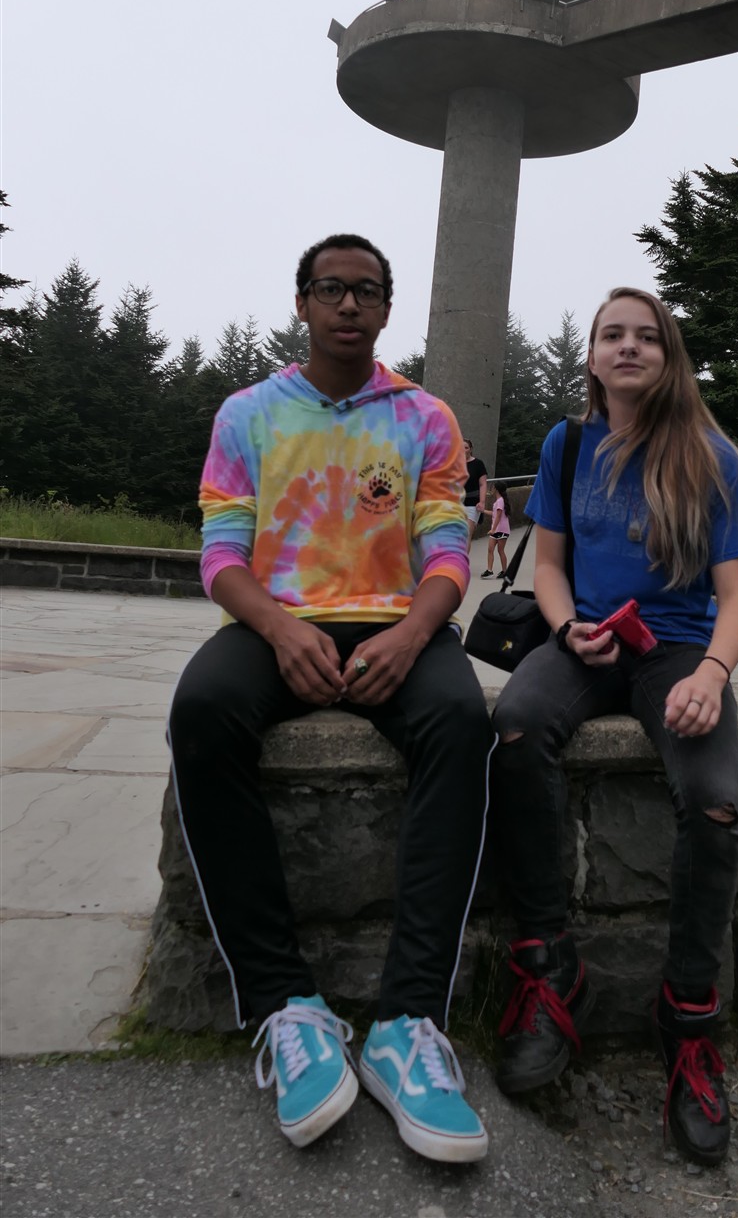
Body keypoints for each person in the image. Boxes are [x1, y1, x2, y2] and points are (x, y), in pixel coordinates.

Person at [168, 233, 493, 1164]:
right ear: (302, 302)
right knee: (201, 713)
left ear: (387, 308)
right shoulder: (248, 414)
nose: (348, 304)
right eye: (329, 288)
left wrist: (411, 634)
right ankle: (287, 1006)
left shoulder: (426, 417)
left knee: (462, 720)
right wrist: (278, 629)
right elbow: (221, 556)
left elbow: (447, 549)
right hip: (275, 624)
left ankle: (407, 1025)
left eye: (366, 290)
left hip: (396, 624)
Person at [489, 286, 738, 1168]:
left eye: (648, 336)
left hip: (676, 652)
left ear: (669, 355)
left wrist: (713, 676)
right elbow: (550, 568)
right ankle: (547, 965)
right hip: (585, 642)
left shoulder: (712, 456)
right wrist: (567, 626)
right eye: (613, 335)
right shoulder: (566, 445)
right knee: (515, 725)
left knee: (713, 801)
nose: (629, 347)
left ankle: (688, 1018)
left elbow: (736, 597)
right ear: (593, 356)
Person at [481, 480, 511, 578]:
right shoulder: (498, 501)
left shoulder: (500, 501)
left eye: (493, 487)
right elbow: (494, 514)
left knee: (500, 550)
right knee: (490, 549)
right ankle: (489, 570)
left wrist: (493, 529)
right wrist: (483, 510)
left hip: (501, 529)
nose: (492, 489)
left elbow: (498, 516)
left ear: (496, 489)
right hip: (495, 529)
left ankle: (505, 571)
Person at [462, 438, 488, 528]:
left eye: (466, 448)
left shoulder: (478, 464)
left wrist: (482, 502)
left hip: (472, 503)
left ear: (470, 449)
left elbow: (483, 484)